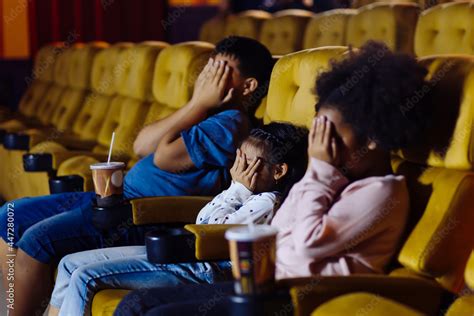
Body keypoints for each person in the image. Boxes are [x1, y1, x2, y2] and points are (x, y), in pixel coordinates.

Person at [115, 41, 433, 315]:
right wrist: (319, 174)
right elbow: (281, 229)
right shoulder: (334, 180)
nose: (318, 144)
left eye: (330, 133)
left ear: (375, 138)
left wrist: (320, 172)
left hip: (295, 300)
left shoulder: (381, 192)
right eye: (316, 130)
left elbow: (308, 245)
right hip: (264, 288)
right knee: (138, 304)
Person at [0, 36, 274, 316]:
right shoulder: (204, 113)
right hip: (116, 197)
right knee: (10, 215)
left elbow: (164, 158)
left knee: (37, 240)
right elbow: (141, 145)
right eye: (209, 66)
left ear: (248, 86)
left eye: (220, 69)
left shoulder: (230, 122)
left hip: (144, 213)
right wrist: (196, 104)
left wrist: (198, 103)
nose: (207, 76)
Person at [47, 123, 309, 316]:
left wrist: (237, 188)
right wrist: (236, 189)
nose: (237, 169)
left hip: (207, 269)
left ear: (278, 171)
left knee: (85, 277)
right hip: (188, 254)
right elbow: (202, 218)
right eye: (238, 158)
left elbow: (209, 229)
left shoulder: (268, 202)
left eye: (248, 162)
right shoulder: (248, 193)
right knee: (69, 264)